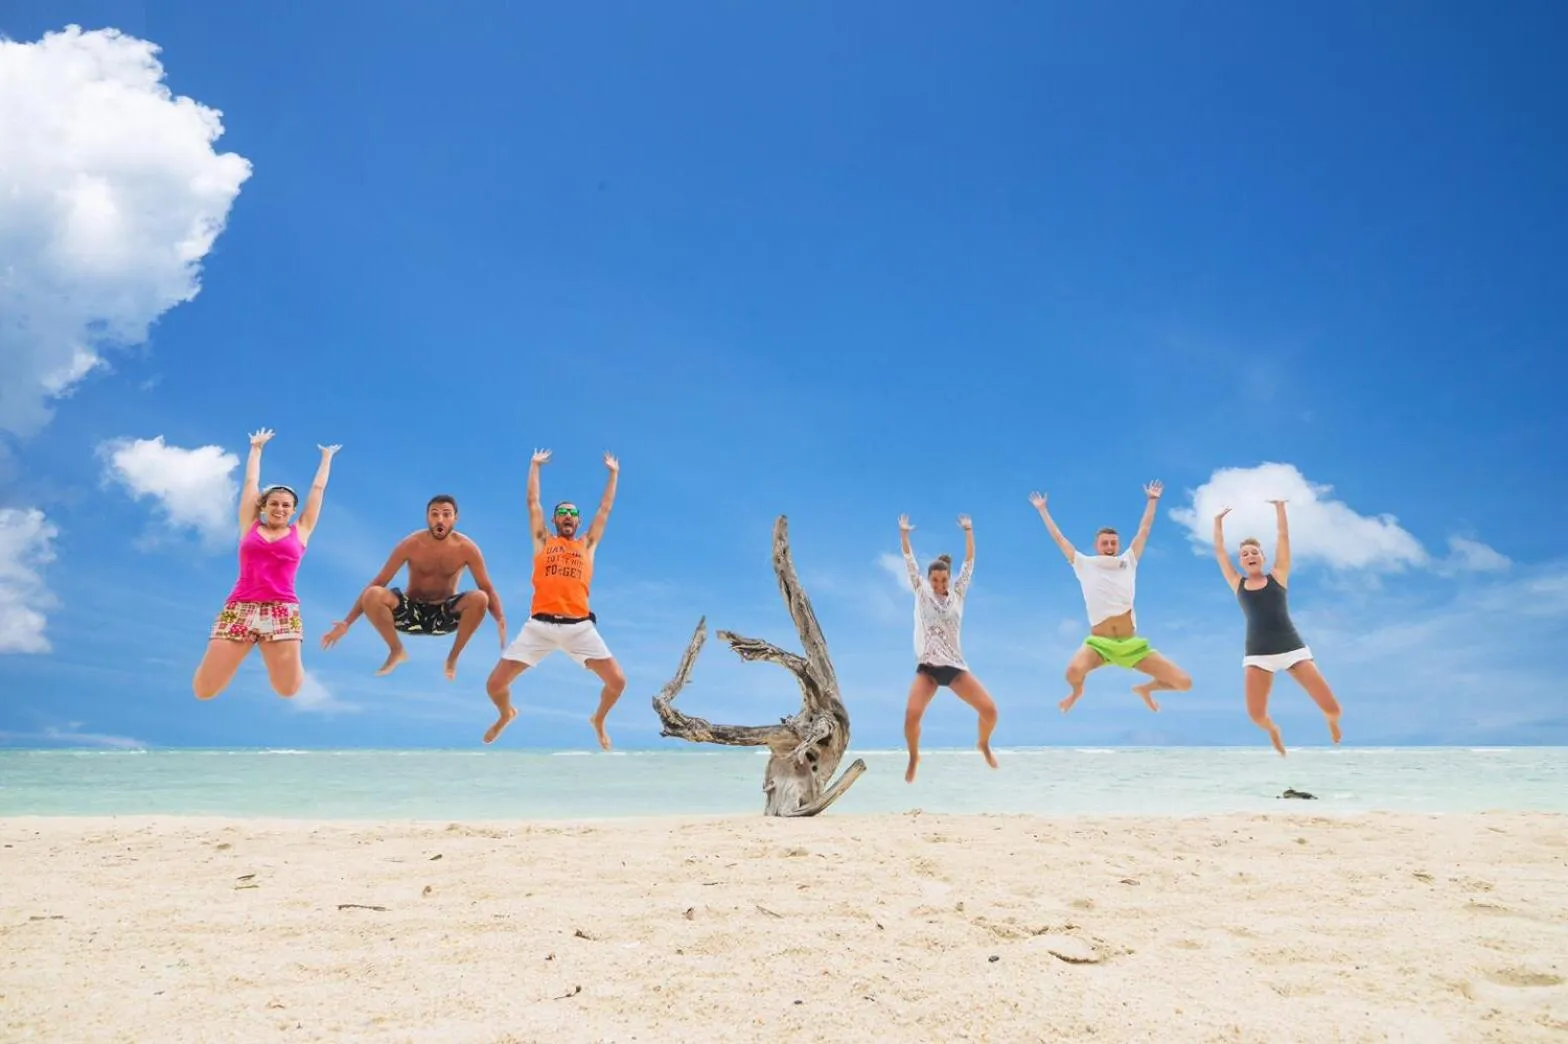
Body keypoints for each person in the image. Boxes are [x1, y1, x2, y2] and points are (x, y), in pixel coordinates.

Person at [482, 449, 627, 750]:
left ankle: (598, 720)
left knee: (617, 682)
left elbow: (605, 509)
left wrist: (614, 474)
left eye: (573, 514)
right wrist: (534, 466)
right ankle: (506, 713)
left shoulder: (587, 545)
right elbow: (532, 503)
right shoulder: (543, 541)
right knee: (494, 685)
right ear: (555, 519)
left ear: (578, 521)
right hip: (539, 627)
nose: (568, 517)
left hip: (579, 628)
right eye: (563, 513)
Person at [193, 429, 340, 701]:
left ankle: (271, 646)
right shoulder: (249, 526)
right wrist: (256, 448)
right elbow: (250, 481)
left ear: (293, 510)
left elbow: (318, 490)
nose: (280, 509)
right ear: (263, 506)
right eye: (274, 503)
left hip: (281, 610)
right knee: (204, 690)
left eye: (286, 505)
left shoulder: (302, 530)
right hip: (240, 608)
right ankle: (249, 642)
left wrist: (327, 458)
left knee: (287, 689)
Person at [1030, 481, 1193, 713]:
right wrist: (1042, 510)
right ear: (1097, 545)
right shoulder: (1084, 563)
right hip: (1099, 644)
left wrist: (1152, 501)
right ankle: (1077, 692)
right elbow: (1059, 538)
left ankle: (1146, 689)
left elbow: (1144, 530)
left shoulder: (1129, 561)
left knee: (1184, 683)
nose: (1109, 546)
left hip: (1130, 644)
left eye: (1113, 543)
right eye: (1105, 543)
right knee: (1072, 672)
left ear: (1118, 545)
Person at [319, 495, 508, 680]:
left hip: (444, 616)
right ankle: (396, 649)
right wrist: (347, 623)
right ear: (427, 517)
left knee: (480, 597)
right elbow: (380, 580)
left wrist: (499, 618)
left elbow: (487, 588)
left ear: (455, 518)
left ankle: (452, 658)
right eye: (434, 514)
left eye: (446, 514)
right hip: (410, 614)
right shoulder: (411, 544)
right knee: (373, 593)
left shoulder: (467, 548)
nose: (440, 519)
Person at [1212, 500, 1343, 756]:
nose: (1250, 556)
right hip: (1258, 655)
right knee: (1256, 715)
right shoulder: (1236, 583)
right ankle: (1273, 730)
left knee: (1333, 708)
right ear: (1240, 561)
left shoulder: (1278, 575)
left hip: (1292, 649)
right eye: (1244, 554)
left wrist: (1280, 507)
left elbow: (1284, 537)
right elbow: (1218, 552)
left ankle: (1332, 722)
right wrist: (1217, 522)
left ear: (1263, 557)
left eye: (1254, 552)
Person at [898, 513, 999, 783]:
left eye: (944, 580)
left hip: (955, 668)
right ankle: (913, 756)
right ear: (929, 579)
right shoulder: (921, 592)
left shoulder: (958, 593)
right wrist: (905, 534)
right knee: (911, 716)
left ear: (948, 578)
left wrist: (969, 530)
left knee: (990, 711)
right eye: (935, 580)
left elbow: (969, 562)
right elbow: (909, 561)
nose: (940, 585)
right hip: (928, 668)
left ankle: (984, 744)